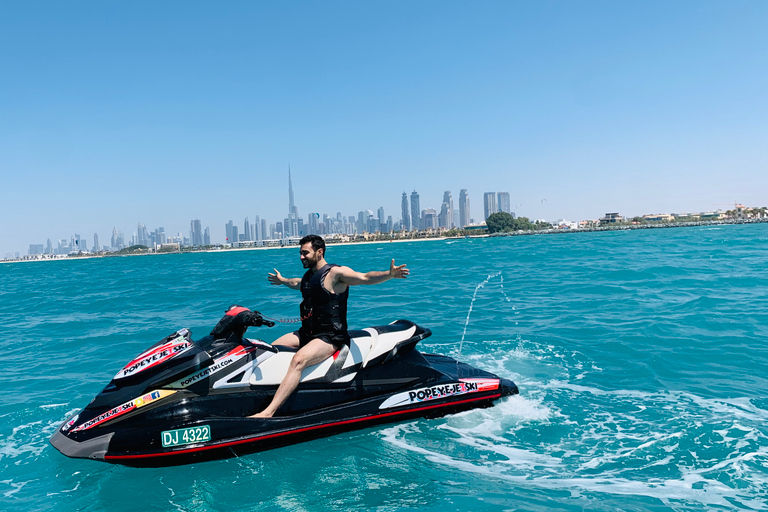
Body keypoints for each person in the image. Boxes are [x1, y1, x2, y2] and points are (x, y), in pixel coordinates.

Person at [249, 234, 409, 418]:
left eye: (305, 253)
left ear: (319, 252)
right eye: (300, 253)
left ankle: (269, 412)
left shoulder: (336, 274)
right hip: (307, 332)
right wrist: (282, 280)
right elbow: (296, 283)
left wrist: (389, 275)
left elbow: (364, 277)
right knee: (270, 350)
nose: (301, 257)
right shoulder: (309, 277)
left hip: (330, 336)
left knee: (298, 360)